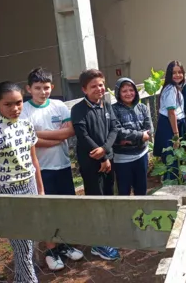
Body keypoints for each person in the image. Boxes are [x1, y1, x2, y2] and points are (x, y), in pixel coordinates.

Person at [0, 82, 44, 283]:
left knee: (30, 238)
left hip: (30, 186)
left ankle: (21, 278)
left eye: (18, 103)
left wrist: (40, 190)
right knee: (21, 243)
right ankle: (29, 280)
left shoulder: (26, 126)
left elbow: (33, 160)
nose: (15, 108)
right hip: (9, 191)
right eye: (8, 104)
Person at [21, 68, 83, 270]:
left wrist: (39, 135)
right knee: (47, 210)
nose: (42, 92)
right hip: (40, 170)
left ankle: (65, 245)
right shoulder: (24, 110)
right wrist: (51, 137)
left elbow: (69, 131)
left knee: (65, 206)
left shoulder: (58, 106)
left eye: (46, 88)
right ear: (28, 89)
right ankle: (51, 250)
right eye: (37, 88)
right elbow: (30, 141)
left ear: (52, 87)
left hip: (63, 165)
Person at [70, 68, 121, 261]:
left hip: (107, 160)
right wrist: (102, 157)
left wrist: (106, 151)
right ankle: (98, 244)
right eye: (93, 86)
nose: (99, 89)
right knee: (96, 200)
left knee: (108, 197)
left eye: (101, 84)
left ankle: (107, 235)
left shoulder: (106, 105)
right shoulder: (78, 110)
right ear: (84, 89)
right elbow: (83, 136)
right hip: (92, 164)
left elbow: (114, 129)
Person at [111, 77, 154, 195]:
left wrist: (130, 140)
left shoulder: (143, 108)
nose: (128, 93)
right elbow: (118, 131)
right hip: (122, 159)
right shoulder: (113, 110)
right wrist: (140, 136)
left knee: (141, 190)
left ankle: (141, 213)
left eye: (131, 90)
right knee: (124, 192)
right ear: (118, 93)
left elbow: (149, 130)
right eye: (124, 91)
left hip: (142, 155)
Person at [153, 61, 186, 181]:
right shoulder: (170, 89)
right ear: (169, 74)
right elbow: (171, 113)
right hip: (170, 127)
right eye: (174, 73)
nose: (177, 75)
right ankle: (170, 188)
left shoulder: (176, 88)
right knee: (171, 160)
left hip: (174, 125)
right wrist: (176, 136)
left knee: (176, 158)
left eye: (180, 72)